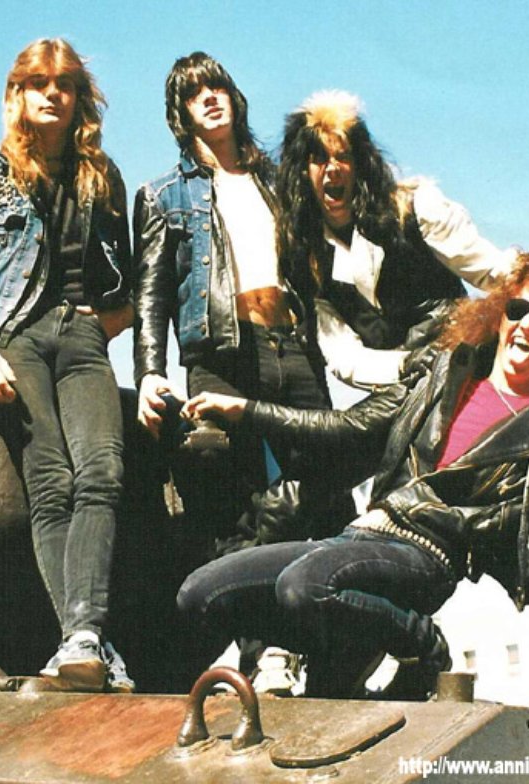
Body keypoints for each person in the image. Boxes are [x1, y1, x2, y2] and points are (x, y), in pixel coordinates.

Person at [177, 250, 529, 717]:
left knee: (304, 586)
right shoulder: (441, 375)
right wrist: (247, 411)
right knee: (201, 593)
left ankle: (425, 648)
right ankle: (347, 645)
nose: (528, 324)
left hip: (427, 554)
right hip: (361, 536)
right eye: (517, 309)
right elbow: (347, 427)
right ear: (499, 317)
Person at [0, 38, 134, 692]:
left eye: (65, 83)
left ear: (79, 98)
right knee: (51, 482)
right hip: (15, 337)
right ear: (16, 94)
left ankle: (85, 638)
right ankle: (85, 639)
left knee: (102, 470)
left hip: (82, 337)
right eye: (39, 83)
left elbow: (128, 276)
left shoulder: (101, 178)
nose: (53, 93)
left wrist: (108, 323)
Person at [133, 53, 352, 558]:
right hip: (221, 353)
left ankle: (340, 599)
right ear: (181, 115)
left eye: (217, 87)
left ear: (234, 97)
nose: (209, 98)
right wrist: (150, 372)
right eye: (194, 94)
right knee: (231, 495)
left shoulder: (278, 180)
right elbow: (152, 291)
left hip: (292, 343)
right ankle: (250, 611)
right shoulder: (163, 195)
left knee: (327, 477)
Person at [277, 90, 518, 388]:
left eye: (343, 156)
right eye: (319, 159)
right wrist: (404, 365)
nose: (333, 169)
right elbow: (343, 354)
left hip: (460, 367)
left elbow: (491, 269)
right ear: (302, 171)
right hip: (396, 387)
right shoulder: (309, 261)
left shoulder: (415, 208)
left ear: (360, 164)